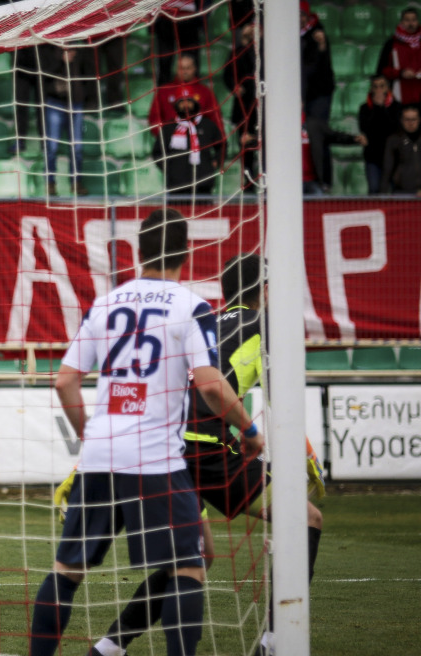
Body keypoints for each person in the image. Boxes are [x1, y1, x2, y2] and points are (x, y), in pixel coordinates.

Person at [29, 209, 264, 656]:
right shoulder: (190, 307)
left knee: (67, 570)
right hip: (156, 458)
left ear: (139, 251)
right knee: (189, 566)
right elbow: (211, 385)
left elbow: (64, 382)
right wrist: (249, 429)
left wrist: (91, 436)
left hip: (101, 456)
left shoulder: (106, 304)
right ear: (186, 252)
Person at [86, 254, 325, 656]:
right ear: (266, 290)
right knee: (307, 519)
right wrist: (301, 455)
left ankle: (109, 647)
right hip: (204, 449)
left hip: (163, 448)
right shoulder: (265, 325)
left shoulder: (204, 323)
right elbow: (280, 405)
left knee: (195, 558)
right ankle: (275, 640)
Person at [35, 44, 94, 195]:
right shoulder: (47, 49)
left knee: (77, 148)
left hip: (76, 103)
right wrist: (62, 60)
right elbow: (43, 74)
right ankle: (50, 184)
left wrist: (86, 97)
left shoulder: (80, 49)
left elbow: (88, 74)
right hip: (55, 102)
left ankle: (76, 183)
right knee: (52, 147)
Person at [155, 87, 225, 195]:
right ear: (176, 105)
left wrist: (216, 161)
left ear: (195, 103)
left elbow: (222, 145)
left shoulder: (208, 125)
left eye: (189, 101)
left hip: (204, 182)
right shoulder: (168, 128)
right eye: (182, 101)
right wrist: (170, 169)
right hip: (176, 184)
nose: (186, 105)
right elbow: (157, 152)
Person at [148, 54, 225, 140]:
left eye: (188, 68)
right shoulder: (164, 91)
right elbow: (154, 118)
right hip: (171, 140)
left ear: (194, 68)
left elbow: (215, 117)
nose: (185, 71)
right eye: (181, 68)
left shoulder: (205, 91)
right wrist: (166, 136)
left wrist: (216, 137)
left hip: (199, 139)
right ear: (176, 69)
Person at [223, 21, 259, 190]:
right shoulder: (237, 52)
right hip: (244, 106)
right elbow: (227, 75)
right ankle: (248, 179)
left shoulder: (264, 50)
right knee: (245, 144)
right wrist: (234, 87)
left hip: (263, 106)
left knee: (264, 142)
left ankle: (266, 177)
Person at [358, 75, 403, 195]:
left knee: (396, 191)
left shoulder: (396, 107)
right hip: (373, 157)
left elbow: (395, 128)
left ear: (387, 88)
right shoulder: (365, 108)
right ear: (371, 89)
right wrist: (376, 107)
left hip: (393, 157)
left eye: (382, 86)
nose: (379, 90)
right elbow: (365, 128)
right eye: (375, 86)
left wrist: (383, 107)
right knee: (374, 190)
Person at [303, 110, 366, 195]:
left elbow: (334, 136)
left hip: (313, 181)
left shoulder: (313, 125)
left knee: (319, 202)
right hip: (289, 181)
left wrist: (353, 139)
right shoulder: (285, 127)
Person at [152, 0, 206, 86]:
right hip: (164, 18)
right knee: (164, 63)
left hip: (190, 18)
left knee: (190, 62)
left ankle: (193, 92)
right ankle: (164, 93)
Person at [377, 7, 421, 107]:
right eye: (407, 20)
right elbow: (382, 71)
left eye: (413, 20)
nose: (411, 23)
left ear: (418, 21)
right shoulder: (391, 43)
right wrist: (401, 73)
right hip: (398, 97)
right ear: (401, 22)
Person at [300, 1, 335, 123]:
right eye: (296, 15)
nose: (299, 19)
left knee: (316, 129)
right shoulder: (286, 36)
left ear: (308, 16)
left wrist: (321, 45)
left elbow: (320, 63)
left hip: (319, 92)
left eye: (302, 15)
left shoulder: (317, 33)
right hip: (299, 91)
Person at [381, 106, 421, 195]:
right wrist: (383, 194)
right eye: (407, 119)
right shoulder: (394, 140)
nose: (410, 123)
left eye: (413, 119)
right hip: (401, 191)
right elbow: (387, 168)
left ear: (419, 120)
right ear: (402, 120)